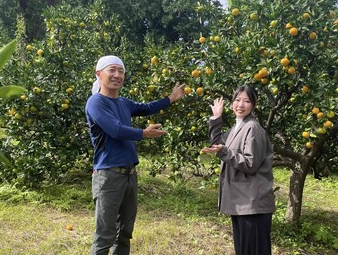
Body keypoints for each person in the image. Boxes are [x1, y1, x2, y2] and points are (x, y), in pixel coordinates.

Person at [85, 55, 185, 255]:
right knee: (105, 234)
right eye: (112, 70)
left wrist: (171, 98)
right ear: (99, 73)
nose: (117, 75)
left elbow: (147, 108)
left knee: (125, 232)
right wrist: (143, 134)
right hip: (108, 175)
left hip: (130, 174)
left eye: (120, 71)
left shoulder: (123, 103)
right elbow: (116, 130)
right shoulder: (95, 102)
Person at [201, 85, 275, 255]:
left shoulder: (252, 128)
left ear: (254, 105)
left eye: (246, 101)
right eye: (237, 100)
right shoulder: (237, 128)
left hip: (252, 204)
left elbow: (251, 164)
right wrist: (216, 118)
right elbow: (217, 144)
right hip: (242, 202)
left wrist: (223, 151)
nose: (240, 105)